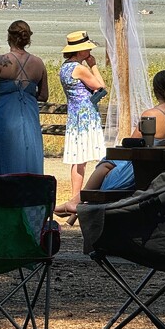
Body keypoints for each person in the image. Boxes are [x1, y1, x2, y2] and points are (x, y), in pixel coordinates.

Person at [54, 70, 165, 222]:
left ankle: (78, 202)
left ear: (156, 91)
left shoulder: (151, 114)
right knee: (109, 163)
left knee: (106, 163)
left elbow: (131, 144)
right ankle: (77, 204)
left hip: (145, 169)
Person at [0, 20, 48, 175]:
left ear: (9, 37)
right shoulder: (38, 63)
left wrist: (4, 95)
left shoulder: (0, 61)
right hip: (29, 113)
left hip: (4, 112)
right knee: (29, 151)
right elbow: (44, 95)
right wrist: (28, 94)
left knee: (3, 152)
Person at [59, 31, 106, 203]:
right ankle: (85, 193)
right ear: (80, 51)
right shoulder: (80, 68)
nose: (89, 52)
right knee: (88, 156)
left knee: (78, 158)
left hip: (74, 115)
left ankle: (74, 195)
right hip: (86, 116)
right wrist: (93, 66)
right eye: (86, 49)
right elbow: (100, 86)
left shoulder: (64, 67)